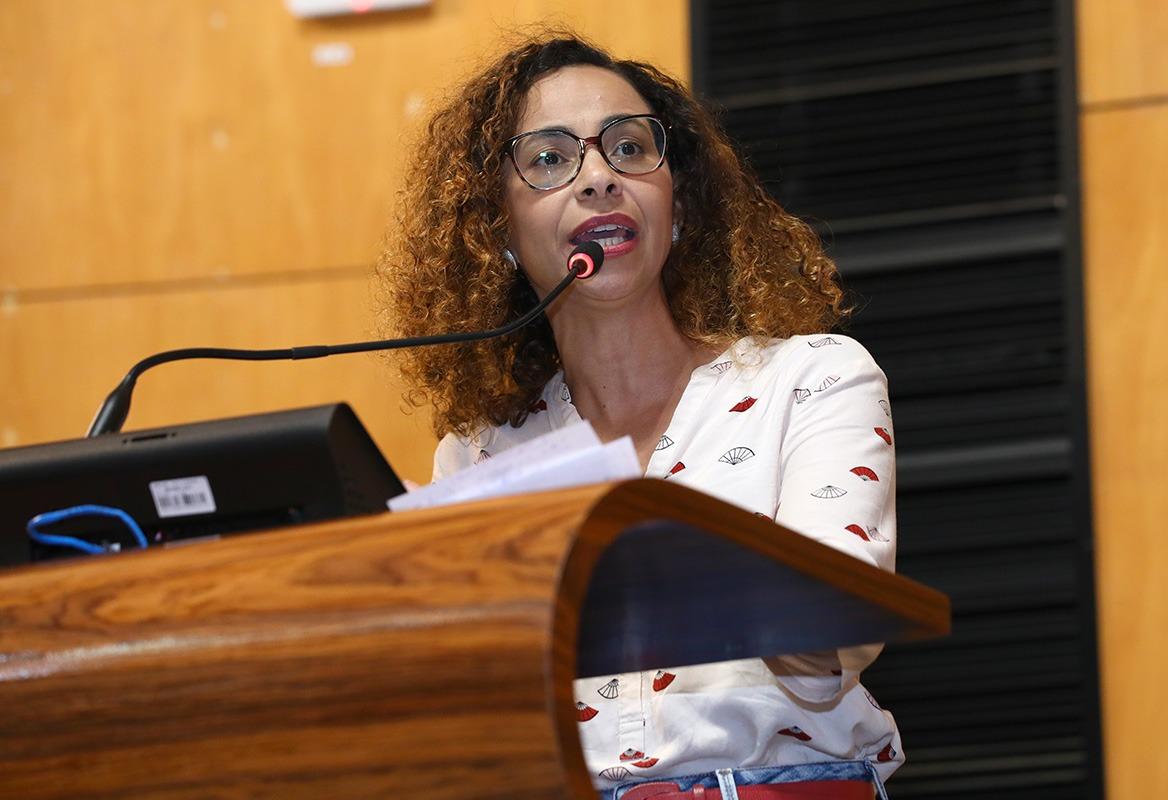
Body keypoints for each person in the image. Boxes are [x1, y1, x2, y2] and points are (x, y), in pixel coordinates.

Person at [377, 32, 900, 800]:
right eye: (550, 159)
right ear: (499, 236)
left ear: (676, 205)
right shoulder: (482, 457)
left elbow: (832, 634)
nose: (599, 178)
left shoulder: (812, 378)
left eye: (628, 148)